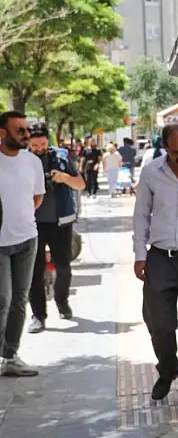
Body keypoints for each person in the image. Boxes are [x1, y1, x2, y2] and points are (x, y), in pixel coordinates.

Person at [133, 124, 178, 410]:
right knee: (158, 322)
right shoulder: (151, 172)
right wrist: (140, 254)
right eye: (177, 151)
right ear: (165, 147)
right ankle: (168, 368)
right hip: (160, 258)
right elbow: (141, 214)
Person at [0, 112, 45, 377]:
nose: (26, 135)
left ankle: (10, 356)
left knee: (19, 300)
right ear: (3, 134)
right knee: (2, 299)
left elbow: (37, 196)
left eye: (27, 130)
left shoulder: (32, 162)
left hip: (28, 239)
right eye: (20, 131)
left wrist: (23, 216)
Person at [27, 125, 84, 333]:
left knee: (63, 267)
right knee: (35, 271)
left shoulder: (61, 156)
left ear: (48, 141)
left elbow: (80, 184)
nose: (38, 148)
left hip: (61, 222)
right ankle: (38, 316)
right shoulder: (22, 160)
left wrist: (64, 178)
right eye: (34, 145)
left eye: (42, 144)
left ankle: (62, 300)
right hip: (32, 223)